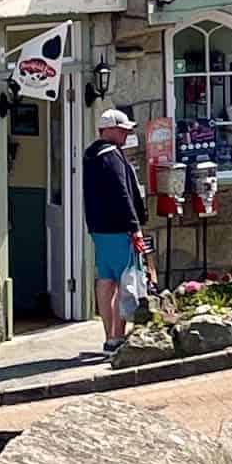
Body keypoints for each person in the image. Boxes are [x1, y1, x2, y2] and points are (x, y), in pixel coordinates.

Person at [83, 107, 147, 354]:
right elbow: (122, 194)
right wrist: (135, 228)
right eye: (121, 130)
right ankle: (117, 336)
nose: (125, 134)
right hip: (119, 229)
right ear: (107, 130)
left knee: (105, 281)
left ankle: (108, 335)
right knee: (124, 281)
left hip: (99, 228)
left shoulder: (91, 156)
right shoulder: (112, 157)